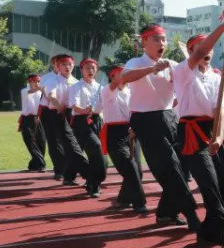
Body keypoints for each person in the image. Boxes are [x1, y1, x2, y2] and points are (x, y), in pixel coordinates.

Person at [173, 23, 224, 248]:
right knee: (210, 186)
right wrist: (222, 28)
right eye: (198, 48)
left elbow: (222, 108)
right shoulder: (183, 72)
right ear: (191, 52)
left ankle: (209, 231)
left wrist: (221, 135)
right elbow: (202, 48)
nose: (206, 51)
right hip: (192, 131)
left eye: (209, 49)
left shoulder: (219, 76)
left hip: (216, 130)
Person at [119, 24, 198, 229]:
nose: (161, 43)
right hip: (145, 120)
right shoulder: (135, 62)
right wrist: (152, 69)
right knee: (169, 167)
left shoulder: (172, 64)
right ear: (144, 41)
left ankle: (166, 212)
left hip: (169, 117)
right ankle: (191, 213)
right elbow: (125, 78)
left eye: (163, 39)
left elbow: (189, 78)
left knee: (180, 167)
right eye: (156, 39)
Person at [101, 64, 148, 215]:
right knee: (129, 168)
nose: (124, 77)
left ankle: (123, 198)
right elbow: (114, 86)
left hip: (132, 131)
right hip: (114, 133)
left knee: (137, 171)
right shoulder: (106, 90)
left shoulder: (131, 92)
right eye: (120, 74)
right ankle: (139, 202)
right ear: (112, 76)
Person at [69, 58, 106, 198]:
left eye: (93, 68)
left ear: (96, 70)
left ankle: (92, 181)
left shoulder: (101, 88)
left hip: (97, 120)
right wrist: (85, 110)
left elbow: (104, 106)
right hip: (81, 122)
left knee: (98, 153)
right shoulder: (75, 87)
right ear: (82, 70)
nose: (90, 71)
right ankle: (95, 182)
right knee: (95, 147)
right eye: (87, 68)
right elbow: (75, 106)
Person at [48, 55, 86, 186]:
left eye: (69, 64)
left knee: (77, 145)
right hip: (58, 114)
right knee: (70, 145)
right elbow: (51, 94)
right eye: (63, 64)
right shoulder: (54, 80)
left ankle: (69, 176)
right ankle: (89, 174)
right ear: (58, 67)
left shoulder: (77, 82)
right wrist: (58, 105)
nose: (67, 67)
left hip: (75, 114)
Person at [18, 74, 46, 172]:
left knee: (41, 142)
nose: (37, 83)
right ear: (30, 82)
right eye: (34, 81)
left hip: (39, 119)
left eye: (38, 81)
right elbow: (32, 91)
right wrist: (41, 89)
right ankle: (41, 164)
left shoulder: (40, 92)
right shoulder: (25, 91)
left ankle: (34, 165)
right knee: (30, 142)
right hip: (27, 119)